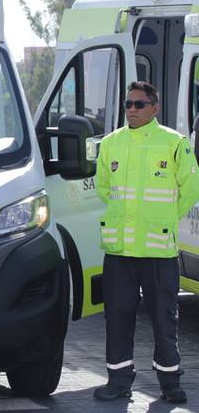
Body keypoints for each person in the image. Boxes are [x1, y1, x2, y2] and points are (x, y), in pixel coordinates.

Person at [93, 81, 199, 403]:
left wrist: (164, 218)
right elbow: (102, 187)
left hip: (157, 250)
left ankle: (170, 384)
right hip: (120, 251)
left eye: (139, 104)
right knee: (118, 317)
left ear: (155, 107)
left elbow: (191, 187)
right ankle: (119, 381)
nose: (131, 109)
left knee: (164, 319)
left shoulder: (174, 143)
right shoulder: (111, 143)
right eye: (128, 104)